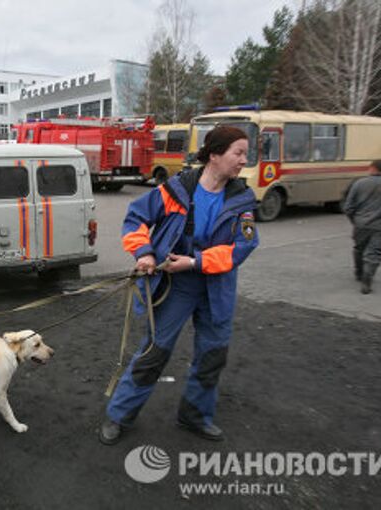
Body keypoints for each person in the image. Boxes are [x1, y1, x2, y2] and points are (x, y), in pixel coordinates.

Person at [99, 126, 259, 445]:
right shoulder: (175, 189)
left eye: (245, 153)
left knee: (212, 355)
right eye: (238, 152)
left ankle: (195, 416)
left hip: (217, 289)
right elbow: (135, 219)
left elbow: (243, 245)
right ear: (215, 154)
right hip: (176, 287)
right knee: (153, 353)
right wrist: (144, 253)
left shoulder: (243, 198)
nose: (244, 160)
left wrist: (195, 262)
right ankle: (119, 416)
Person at [343, 159, 381, 294]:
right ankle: (368, 277)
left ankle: (359, 272)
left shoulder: (359, 183)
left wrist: (354, 220)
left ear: (371, 168)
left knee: (359, 248)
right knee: (375, 252)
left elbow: (348, 206)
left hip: (361, 223)